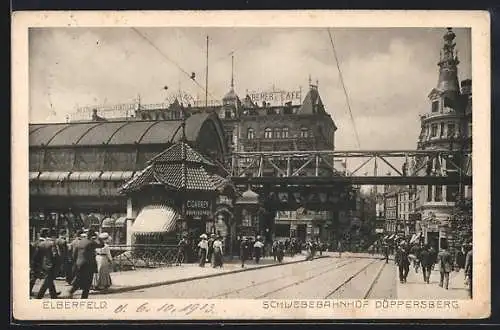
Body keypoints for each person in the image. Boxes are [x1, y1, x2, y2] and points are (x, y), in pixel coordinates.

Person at [67, 229, 105, 299]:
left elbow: (74, 253)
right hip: (88, 264)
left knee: (79, 279)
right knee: (87, 283)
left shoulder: (80, 242)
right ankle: (84, 298)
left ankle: (71, 291)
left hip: (79, 263)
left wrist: (76, 262)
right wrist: (98, 237)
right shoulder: (91, 242)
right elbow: (102, 245)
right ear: (92, 236)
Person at [34, 228, 61, 299]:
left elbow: (36, 256)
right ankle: (39, 296)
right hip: (52, 265)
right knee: (47, 281)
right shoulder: (52, 244)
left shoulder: (41, 244)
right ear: (53, 236)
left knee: (49, 280)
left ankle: (53, 295)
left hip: (44, 265)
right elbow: (55, 255)